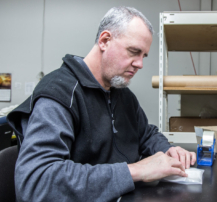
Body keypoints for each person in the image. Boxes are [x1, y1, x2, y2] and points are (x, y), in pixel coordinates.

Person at [7, 6, 196, 202]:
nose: (140, 64)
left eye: (143, 56)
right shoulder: (59, 94)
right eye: (134, 51)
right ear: (105, 41)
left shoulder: (123, 95)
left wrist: (167, 149)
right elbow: (37, 182)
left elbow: (145, 134)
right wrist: (135, 171)